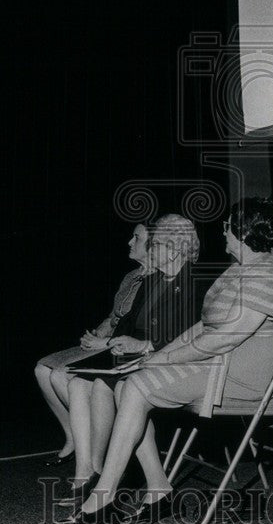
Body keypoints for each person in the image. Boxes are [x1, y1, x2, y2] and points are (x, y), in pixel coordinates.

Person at [51, 197, 273, 524]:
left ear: (242, 231)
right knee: (126, 386)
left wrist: (164, 356)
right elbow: (205, 326)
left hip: (244, 375)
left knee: (134, 386)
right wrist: (159, 356)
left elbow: (223, 338)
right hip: (219, 364)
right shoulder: (242, 267)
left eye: (227, 225)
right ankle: (157, 488)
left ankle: (103, 497)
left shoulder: (264, 273)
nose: (222, 231)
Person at [57, 214, 204, 503]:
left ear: (174, 249)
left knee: (102, 386)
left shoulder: (197, 282)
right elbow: (126, 324)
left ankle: (101, 474)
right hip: (136, 357)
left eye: (156, 244)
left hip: (174, 364)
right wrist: (116, 342)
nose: (150, 249)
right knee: (76, 383)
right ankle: (88, 469)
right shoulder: (153, 281)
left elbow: (191, 335)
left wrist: (145, 344)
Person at [33, 223, 152, 465]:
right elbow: (114, 317)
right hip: (106, 341)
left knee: (58, 376)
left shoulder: (158, 280)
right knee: (41, 369)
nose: (130, 242)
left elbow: (140, 330)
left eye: (136, 238)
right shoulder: (131, 277)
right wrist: (97, 332)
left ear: (154, 244)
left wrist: (104, 342)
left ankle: (94, 440)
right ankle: (73, 436)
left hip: (120, 347)